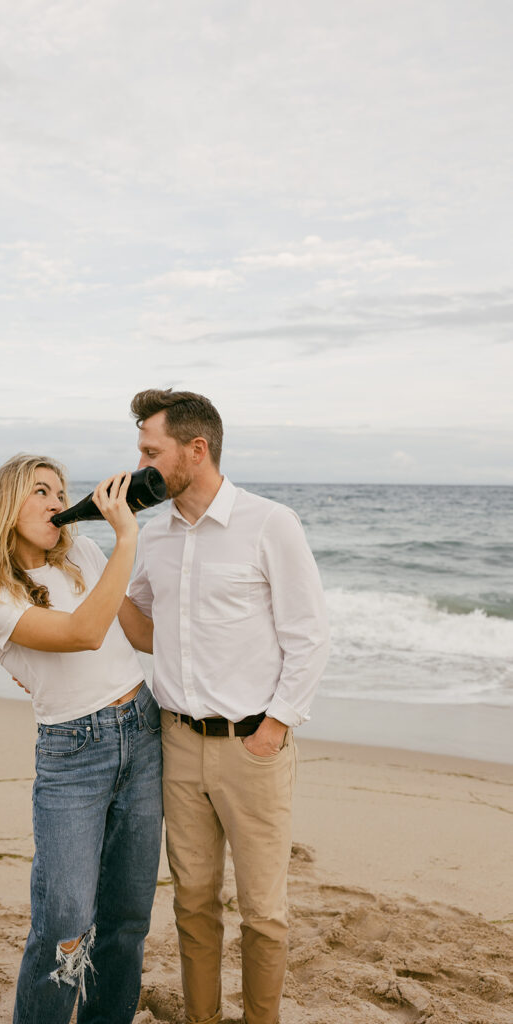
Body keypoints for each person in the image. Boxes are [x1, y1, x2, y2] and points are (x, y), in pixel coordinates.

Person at [127, 390, 330, 1024]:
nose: (140, 466)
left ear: (197, 449)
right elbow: (139, 628)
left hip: (253, 746)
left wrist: (274, 727)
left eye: (150, 451)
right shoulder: (154, 537)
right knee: (191, 902)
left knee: (264, 912)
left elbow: (309, 635)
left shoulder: (271, 523)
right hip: (177, 742)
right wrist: (87, 562)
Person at [0, 454, 161, 1024]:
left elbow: (140, 633)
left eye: (60, 492)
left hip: (142, 731)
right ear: (5, 507)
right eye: (41, 492)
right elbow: (84, 632)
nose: (58, 503)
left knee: (127, 916)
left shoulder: (80, 552)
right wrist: (128, 537)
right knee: (65, 922)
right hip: (74, 753)